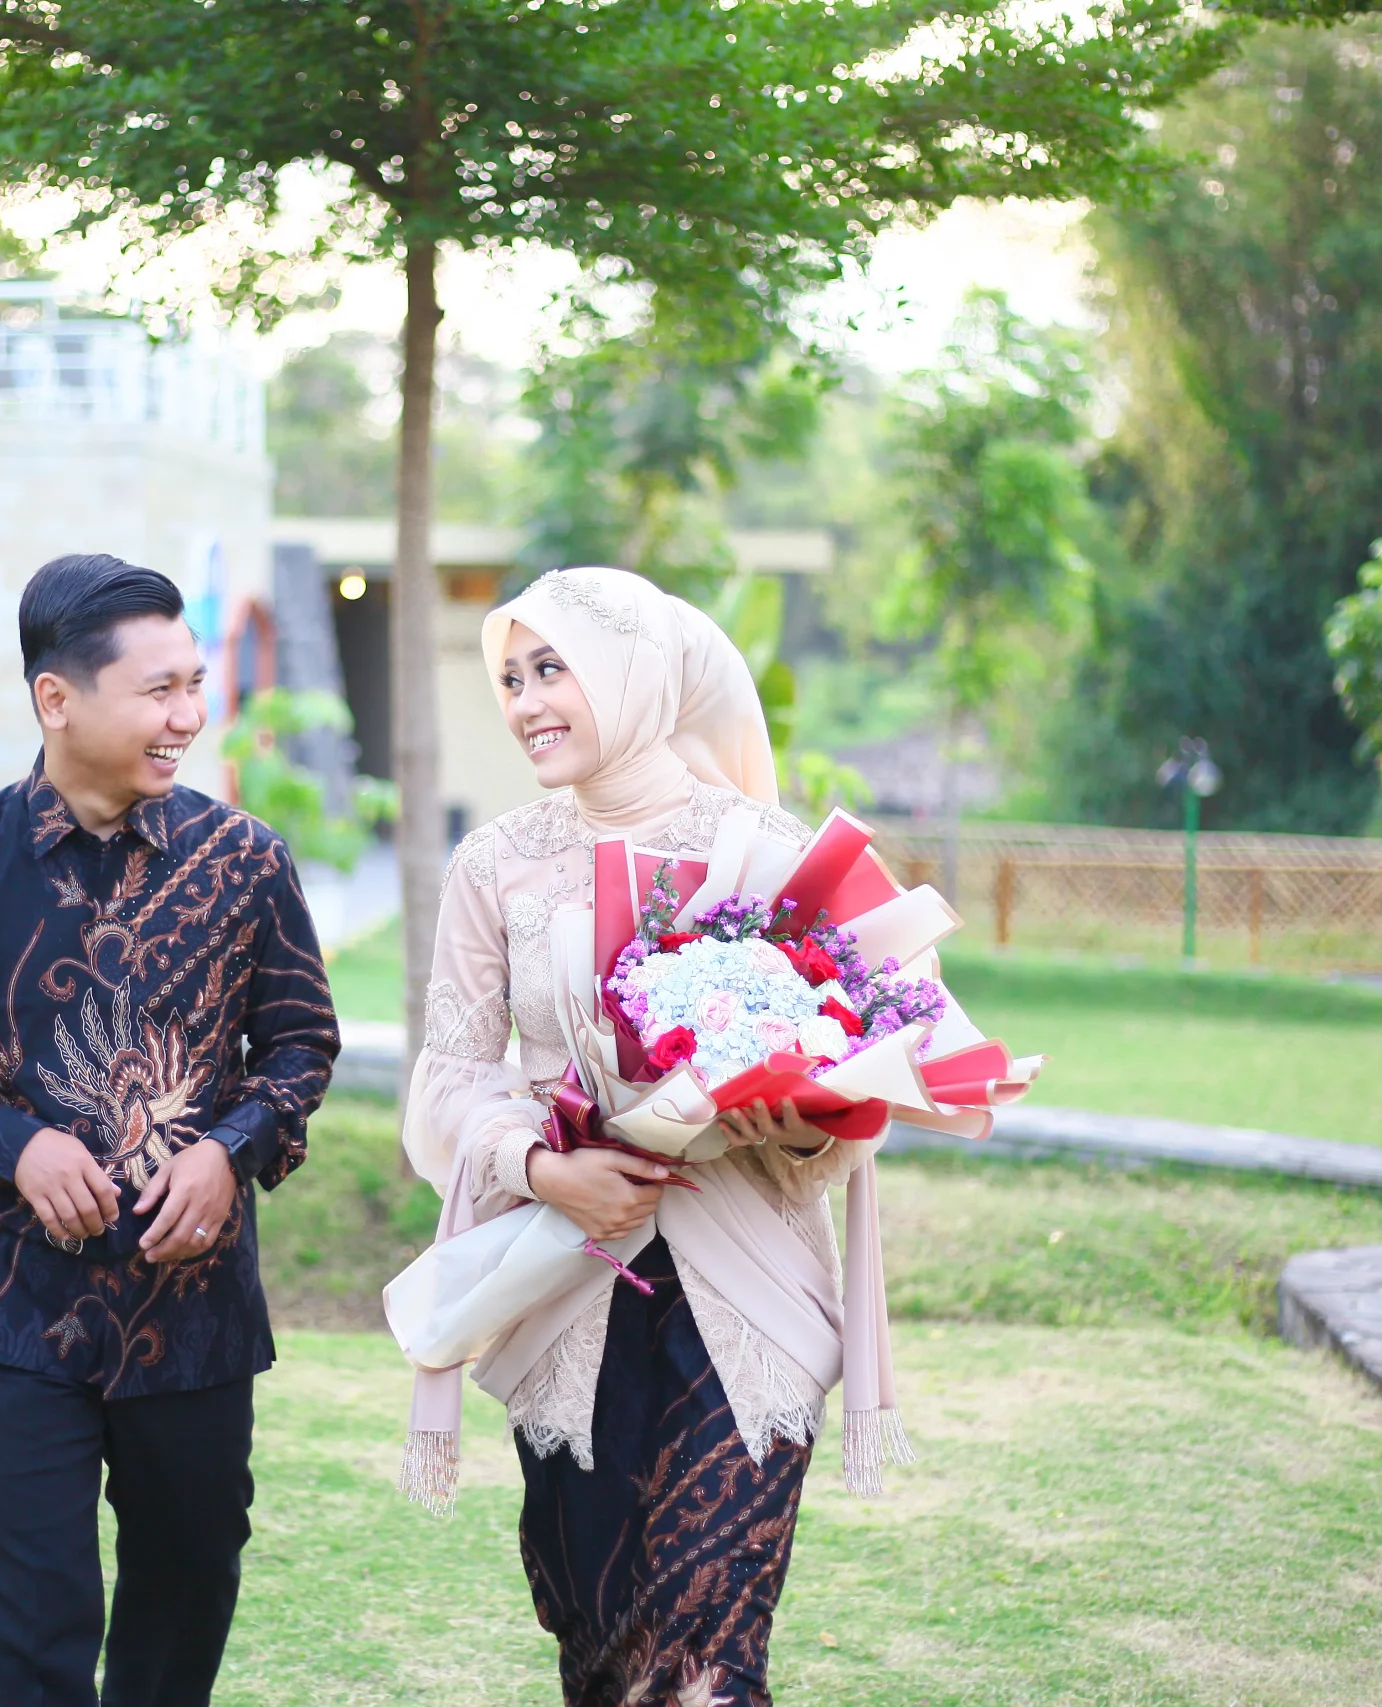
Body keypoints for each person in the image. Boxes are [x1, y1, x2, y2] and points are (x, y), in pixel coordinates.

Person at [397, 566, 910, 1707]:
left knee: (704, 1666)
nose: (526, 701)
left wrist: (797, 1125)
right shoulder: (494, 863)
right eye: (511, 678)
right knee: (601, 1655)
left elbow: (858, 1075)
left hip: (749, 1288)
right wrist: (543, 1166)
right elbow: (451, 1075)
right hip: (565, 1285)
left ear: (631, 673)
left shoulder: (770, 850)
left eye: (552, 669)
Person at [0, 552, 340, 1707]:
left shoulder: (245, 863)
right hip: (9, 1301)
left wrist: (228, 1152)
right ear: (56, 698)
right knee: (28, 1621)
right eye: (158, 691)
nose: (188, 716)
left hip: (194, 1305)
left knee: (189, 1581)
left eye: (193, 684)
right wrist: (13, 1143)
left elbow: (301, 1047)